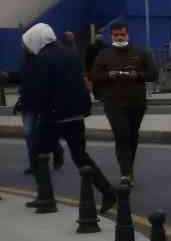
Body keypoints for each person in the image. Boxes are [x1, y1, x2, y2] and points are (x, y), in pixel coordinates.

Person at [17, 23, 117, 214]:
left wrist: (34, 109)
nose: (26, 47)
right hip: (75, 113)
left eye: (27, 42)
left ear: (36, 40)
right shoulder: (70, 53)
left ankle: (46, 199)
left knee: (38, 153)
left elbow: (41, 89)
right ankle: (108, 192)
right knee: (80, 155)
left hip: (54, 114)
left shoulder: (42, 59)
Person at [90, 20, 159, 186]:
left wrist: (138, 75)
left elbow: (153, 74)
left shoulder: (141, 53)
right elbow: (94, 75)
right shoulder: (104, 54)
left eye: (122, 34)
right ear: (111, 36)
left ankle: (129, 168)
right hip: (113, 103)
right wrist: (109, 75)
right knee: (122, 135)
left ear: (127, 34)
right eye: (116, 35)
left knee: (132, 136)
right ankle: (125, 173)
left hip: (137, 102)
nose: (120, 37)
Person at [13, 35, 66, 176]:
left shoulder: (43, 58)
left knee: (45, 133)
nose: (22, 46)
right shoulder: (24, 60)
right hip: (27, 104)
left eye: (24, 44)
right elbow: (21, 77)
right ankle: (34, 164)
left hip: (43, 104)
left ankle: (57, 150)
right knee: (29, 134)